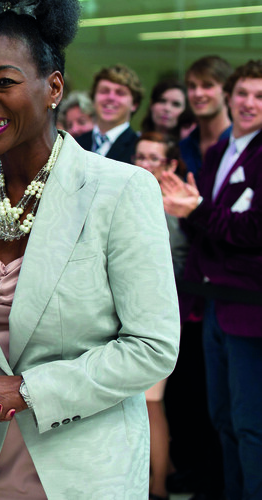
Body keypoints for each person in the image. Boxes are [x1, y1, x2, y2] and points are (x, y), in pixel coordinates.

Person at [0, 1, 179, 498]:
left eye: (2, 82)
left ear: (53, 88)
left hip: (86, 469)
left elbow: (152, 349)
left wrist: (28, 390)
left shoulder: (122, 189)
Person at [160, 59, 262, 500]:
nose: (249, 103)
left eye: (260, 96)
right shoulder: (218, 152)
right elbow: (205, 222)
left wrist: (197, 210)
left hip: (250, 306)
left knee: (250, 424)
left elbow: (253, 230)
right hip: (211, 300)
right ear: (229, 96)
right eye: (242, 93)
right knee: (221, 417)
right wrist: (190, 210)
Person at [131, 132, 189, 500]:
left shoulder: (172, 208)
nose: (144, 164)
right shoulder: (131, 195)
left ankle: (158, 489)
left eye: (153, 158)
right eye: (140, 156)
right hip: (128, 316)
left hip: (159, 317)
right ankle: (160, 473)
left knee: (152, 404)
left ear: (169, 165)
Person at [77, 64, 143, 164]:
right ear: (93, 98)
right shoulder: (75, 143)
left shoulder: (139, 148)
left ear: (134, 104)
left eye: (120, 93)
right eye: (104, 91)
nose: (111, 97)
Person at [180, 56, 233, 176]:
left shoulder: (241, 147)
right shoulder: (183, 148)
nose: (198, 93)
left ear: (226, 91)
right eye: (192, 86)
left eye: (207, 86)